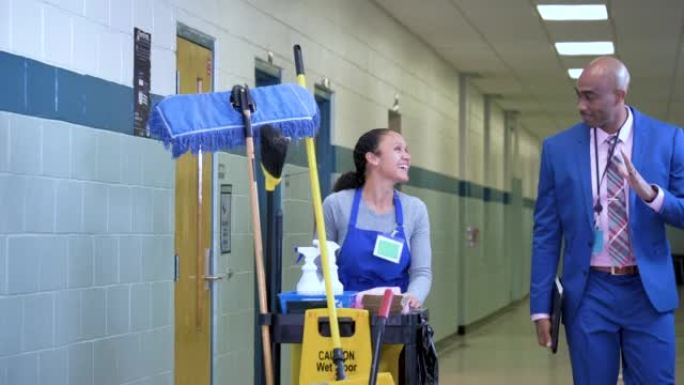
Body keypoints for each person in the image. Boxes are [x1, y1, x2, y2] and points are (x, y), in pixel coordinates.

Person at [530, 56, 684, 384]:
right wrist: (541, 306)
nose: (580, 106)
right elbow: (546, 232)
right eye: (578, 95)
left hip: (648, 293)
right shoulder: (558, 149)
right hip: (590, 292)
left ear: (619, 95)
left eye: (590, 96)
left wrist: (651, 195)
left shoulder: (668, 140)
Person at [323, 128, 432, 309]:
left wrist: (412, 298)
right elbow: (321, 269)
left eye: (407, 150)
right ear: (372, 158)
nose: (406, 156)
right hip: (345, 320)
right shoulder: (336, 205)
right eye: (398, 149)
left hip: (395, 319)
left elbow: (421, 272)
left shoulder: (415, 209)